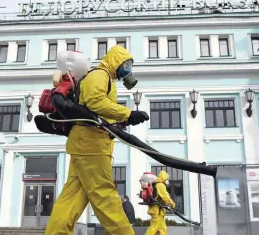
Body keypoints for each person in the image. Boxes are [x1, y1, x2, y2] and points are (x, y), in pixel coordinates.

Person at [45, 45, 149, 235]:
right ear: (115, 61)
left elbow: (98, 111)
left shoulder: (104, 78)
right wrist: (127, 113)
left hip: (85, 145)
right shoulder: (100, 75)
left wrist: (120, 123)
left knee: (72, 198)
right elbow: (95, 102)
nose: (127, 69)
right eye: (125, 64)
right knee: (105, 194)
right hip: (92, 145)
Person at [145, 170, 176, 235]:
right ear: (164, 178)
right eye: (167, 178)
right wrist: (172, 204)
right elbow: (165, 197)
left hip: (159, 211)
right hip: (157, 211)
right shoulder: (160, 185)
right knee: (153, 228)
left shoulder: (156, 184)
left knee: (162, 228)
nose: (167, 180)